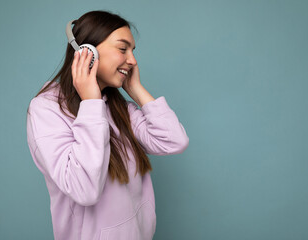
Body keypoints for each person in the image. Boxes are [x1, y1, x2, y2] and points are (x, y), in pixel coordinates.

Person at [26, 10, 189, 240]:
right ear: (86, 52)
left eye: (132, 51)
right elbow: (85, 190)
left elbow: (174, 141)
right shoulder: (46, 110)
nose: (132, 61)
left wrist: (136, 90)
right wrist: (91, 103)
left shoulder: (118, 105)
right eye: (123, 49)